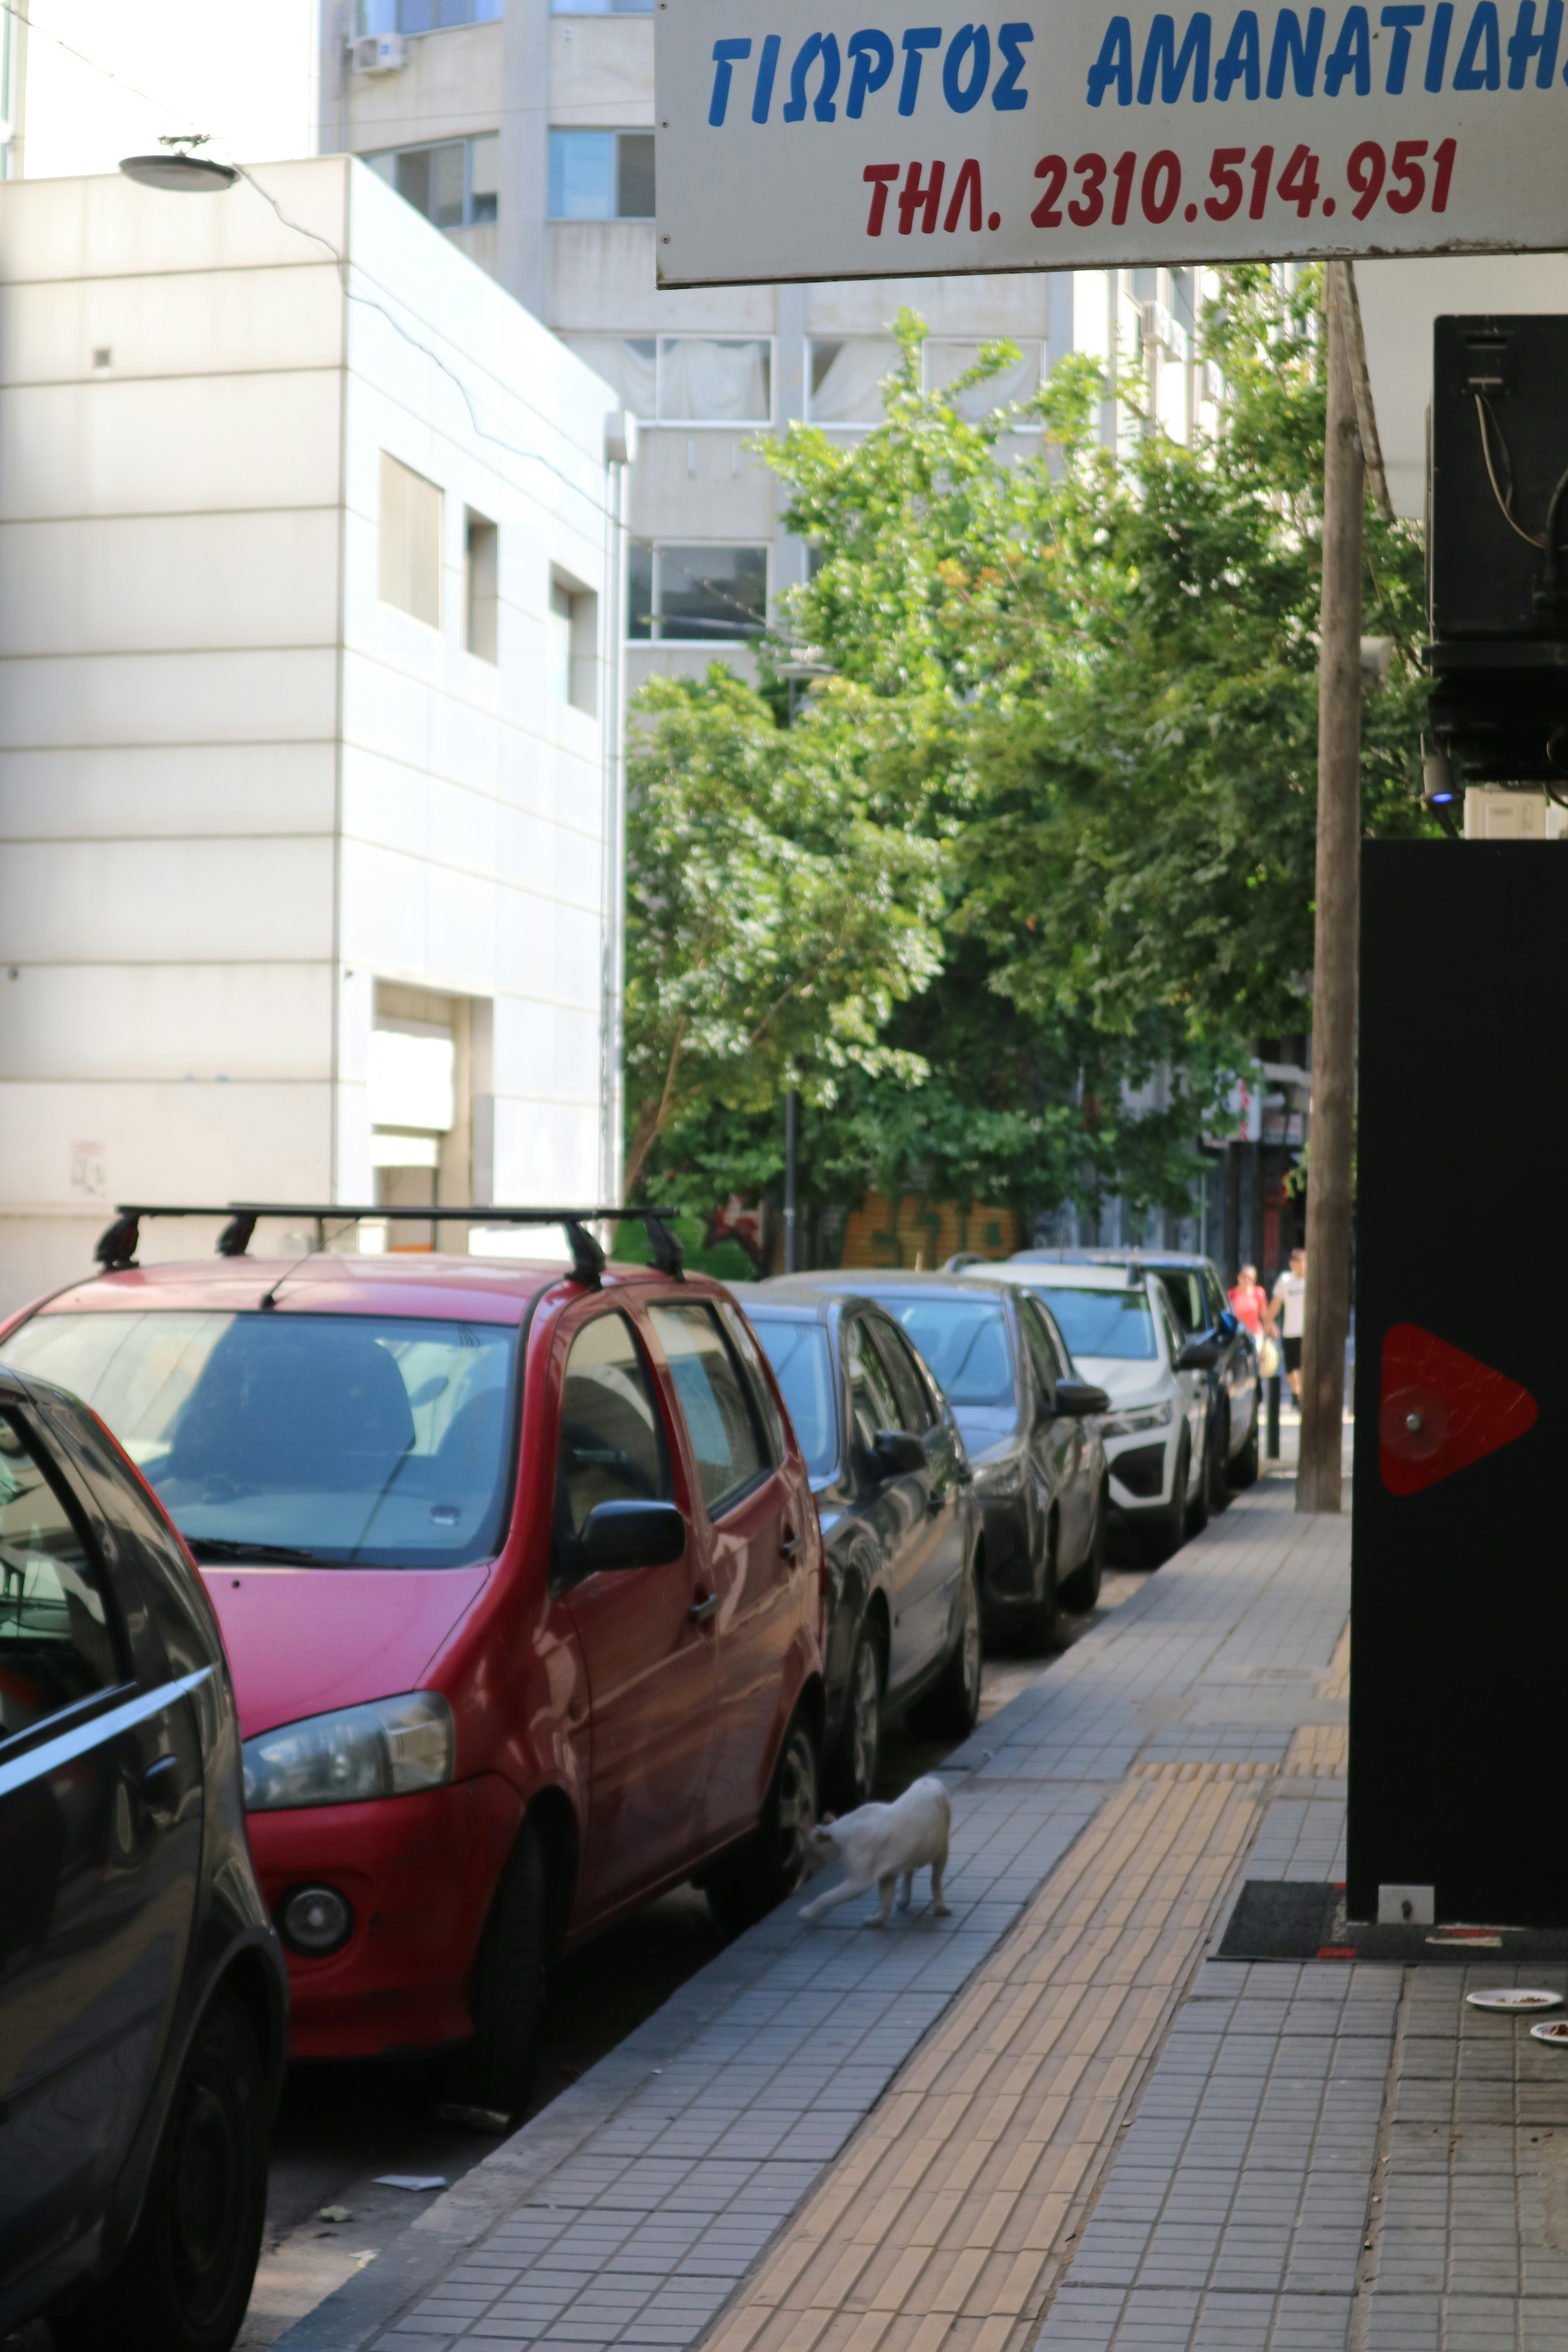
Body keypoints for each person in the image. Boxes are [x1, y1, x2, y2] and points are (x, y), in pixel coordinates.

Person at [1272, 1247, 1307, 1400]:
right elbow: (1276, 1304)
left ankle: (1302, 1399)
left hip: (1307, 1333)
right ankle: (1298, 1394)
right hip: (1289, 1332)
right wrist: (1268, 1322)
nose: (1302, 1266)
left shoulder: (1313, 1281)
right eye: (1299, 1263)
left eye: (1305, 1263)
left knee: (1305, 1368)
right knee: (1291, 1371)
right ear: (1292, 1264)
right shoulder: (1285, 1280)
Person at [1228, 1264, 1268, 1340]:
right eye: (1244, 1277)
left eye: (1250, 1278)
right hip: (1237, 1336)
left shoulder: (1259, 1293)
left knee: (1257, 1352)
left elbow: (1264, 1315)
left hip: (1255, 1334)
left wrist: (1271, 1327)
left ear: (1254, 1281)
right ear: (1239, 1277)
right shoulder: (1231, 1294)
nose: (1246, 1280)